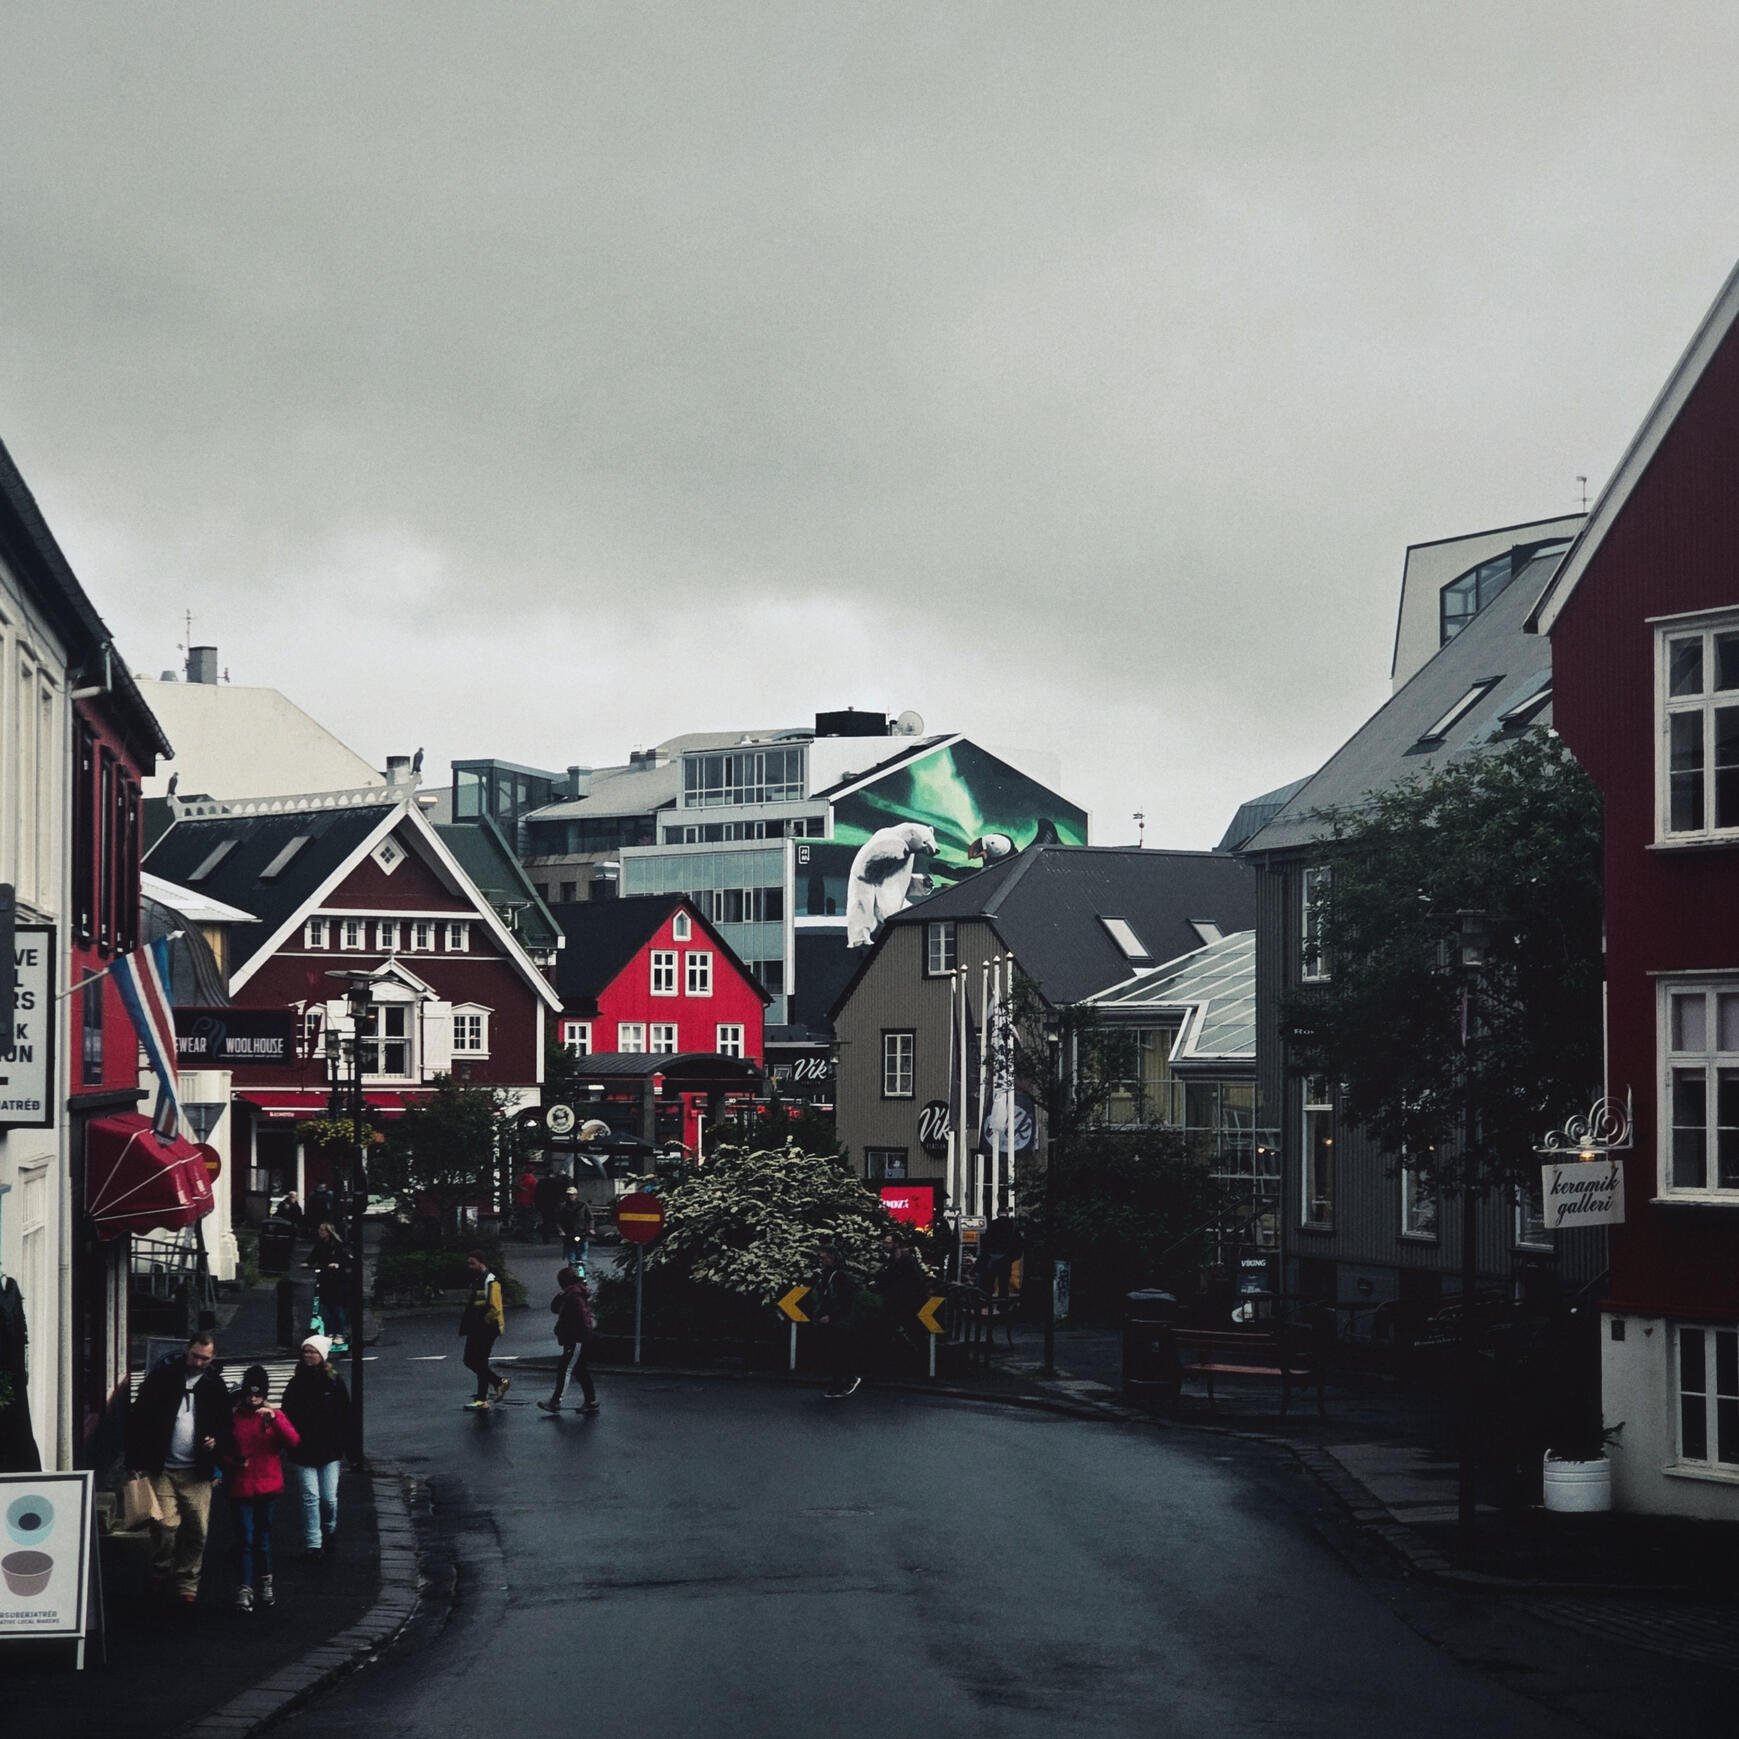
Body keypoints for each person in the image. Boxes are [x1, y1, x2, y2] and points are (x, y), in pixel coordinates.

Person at [124, 1331, 238, 1611]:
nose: (199, 1363)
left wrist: (217, 1441)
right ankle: (161, 1569)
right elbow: (139, 1418)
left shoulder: (214, 1385)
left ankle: (187, 1583)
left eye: (206, 1359)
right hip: (162, 1467)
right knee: (166, 1525)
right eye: (196, 1356)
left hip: (197, 1471)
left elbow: (227, 1426)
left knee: (197, 1530)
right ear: (187, 1349)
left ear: (213, 1358)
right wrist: (135, 1460)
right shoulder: (163, 1378)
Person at [226, 1364, 299, 1613]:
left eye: (258, 1394)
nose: (254, 1398)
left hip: (266, 1485)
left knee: (262, 1539)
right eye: (250, 1393)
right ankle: (245, 1587)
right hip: (242, 1484)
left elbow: (293, 1441)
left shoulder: (273, 1416)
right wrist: (233, 1460)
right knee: (246, 1538)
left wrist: (275, 1421)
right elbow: (224, 1448)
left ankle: (265, 1582)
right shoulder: (234, 1417)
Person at [280, 1334, 350, 1560]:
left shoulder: (334, 1382)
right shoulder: (295, 1383)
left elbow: (345, 1415)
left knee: (329, 1499)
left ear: (322, 1355)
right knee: (310, 1497)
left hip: (329, 1449)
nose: (308, 1355)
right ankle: (313, 1543)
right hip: (303, 1449)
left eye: (313, 1351)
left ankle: (329, 1529)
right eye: (306, 1351)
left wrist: (345, 1445)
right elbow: (286, 1414)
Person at [537, 1266, 599, 1415]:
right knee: (579, 1369)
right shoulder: (571, 1294)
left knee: (565, 1369)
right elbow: (555, 1308)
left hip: (576, 1338)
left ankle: (556, 1401)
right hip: (577, 1337)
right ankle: (591, 1401)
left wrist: (580, 1336)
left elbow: (581, 1318)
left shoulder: (573, 1296)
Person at [459, 1250, 508, 1410]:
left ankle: (496, 1384)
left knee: (471, 1360)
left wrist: (483, 1322)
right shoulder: (480, 1280)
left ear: (481, 1262)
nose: (470, 1266)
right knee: (480, 1362)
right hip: (478, 1327)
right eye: (468, 1263)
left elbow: (495, 1308)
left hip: (485, 1329)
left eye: (472, 1263)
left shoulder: (490, 1281)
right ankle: (483, 1397)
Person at [814, 1245, 861, 1399]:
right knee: (837, 1353)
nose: (821, 1261)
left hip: (839, 1321)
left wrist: (831, 1316)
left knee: (837, 1353)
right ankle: (843, 1382)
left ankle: (840, 1384)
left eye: (823, 1258)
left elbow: (845, 1299)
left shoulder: (839, 1276)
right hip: (837, 1319)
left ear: (832, 1258)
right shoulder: (831, 1275)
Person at [306, 1222, 351, 1348]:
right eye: (319, 1230)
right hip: (325, 1279)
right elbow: (313, 1256)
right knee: (326, 1309)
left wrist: (338, 1264)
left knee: (337, 1308)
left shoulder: (338, 1245)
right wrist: (307, 1263)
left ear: (329, 1232)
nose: (320, 1232)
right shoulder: (320, 1244)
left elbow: (347, 1259)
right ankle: (329, 1333)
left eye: (322, 1230)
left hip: (337, 1281)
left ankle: (339, 1334)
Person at [979, 1204, 1024, 1302]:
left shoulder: (992, 1224)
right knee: (1004, 1282)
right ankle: (1003, 1303)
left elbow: (985, 1241)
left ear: (997, 1213)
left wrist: (985, 1255)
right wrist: (1013, 1257)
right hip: (1006, 1257)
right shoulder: (1012, 1225)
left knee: (990, 1281)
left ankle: (989, 1302)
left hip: (992, 1256)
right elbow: (1018, 1243)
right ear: (1007, 1214)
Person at [556, 1187, 593, 1268]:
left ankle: (583, 1265)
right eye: (569, 1195)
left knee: (584, 1249)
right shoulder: (563, 1206)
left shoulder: (583, 1205)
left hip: (582, 1232)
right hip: (569, 1233)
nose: (571, 1196)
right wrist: (561, 1231)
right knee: (571, 1251)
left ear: (576, 1195)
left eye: (572, 1195)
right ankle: (572, 1266)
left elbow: (590, 1218)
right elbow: (558, 1221)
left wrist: (591, 1228)